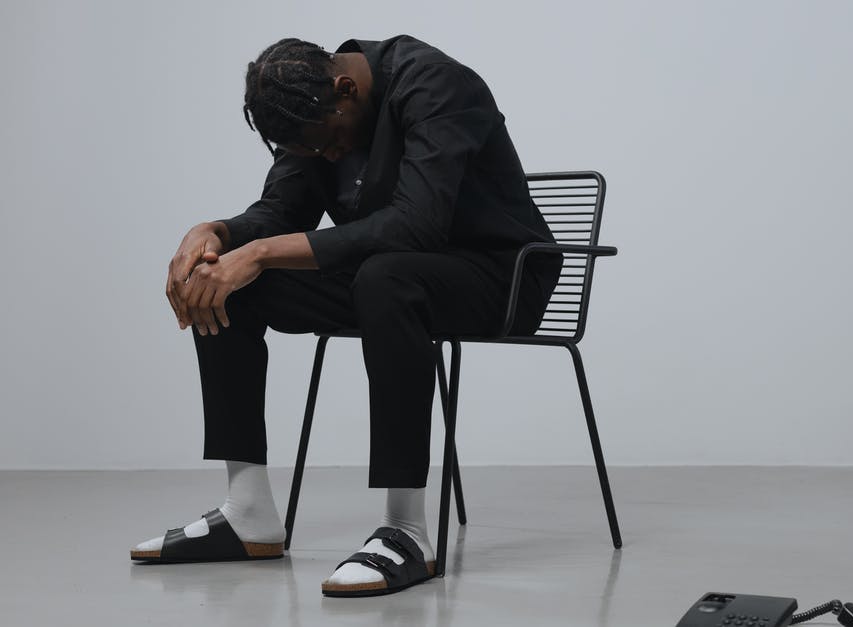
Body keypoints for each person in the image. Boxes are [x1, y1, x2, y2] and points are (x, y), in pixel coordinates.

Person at [131, 35, 562, 597]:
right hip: (387, 276)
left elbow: (417, 225)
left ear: (347, 89)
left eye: (330, 143)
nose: (331, 157)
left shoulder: (436, 84)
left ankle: (408, 531)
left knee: (385, 276)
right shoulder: (307, 105)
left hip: (500, 276)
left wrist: (258, 254)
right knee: (225, 288)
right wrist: (213, 234)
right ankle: (249, 514)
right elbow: (281, 211)